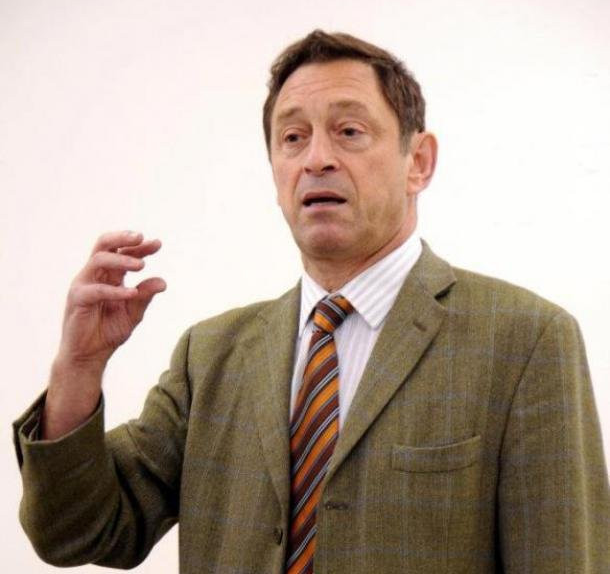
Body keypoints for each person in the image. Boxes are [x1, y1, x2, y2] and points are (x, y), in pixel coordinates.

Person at [13, 30, 609, 573]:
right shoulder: (210, 354)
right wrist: (79, 369)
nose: (316, 159)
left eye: (349, 132)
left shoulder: (526, 340)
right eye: (293, 138)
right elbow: (76, 532)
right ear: (275, 170)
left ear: (418, 161)